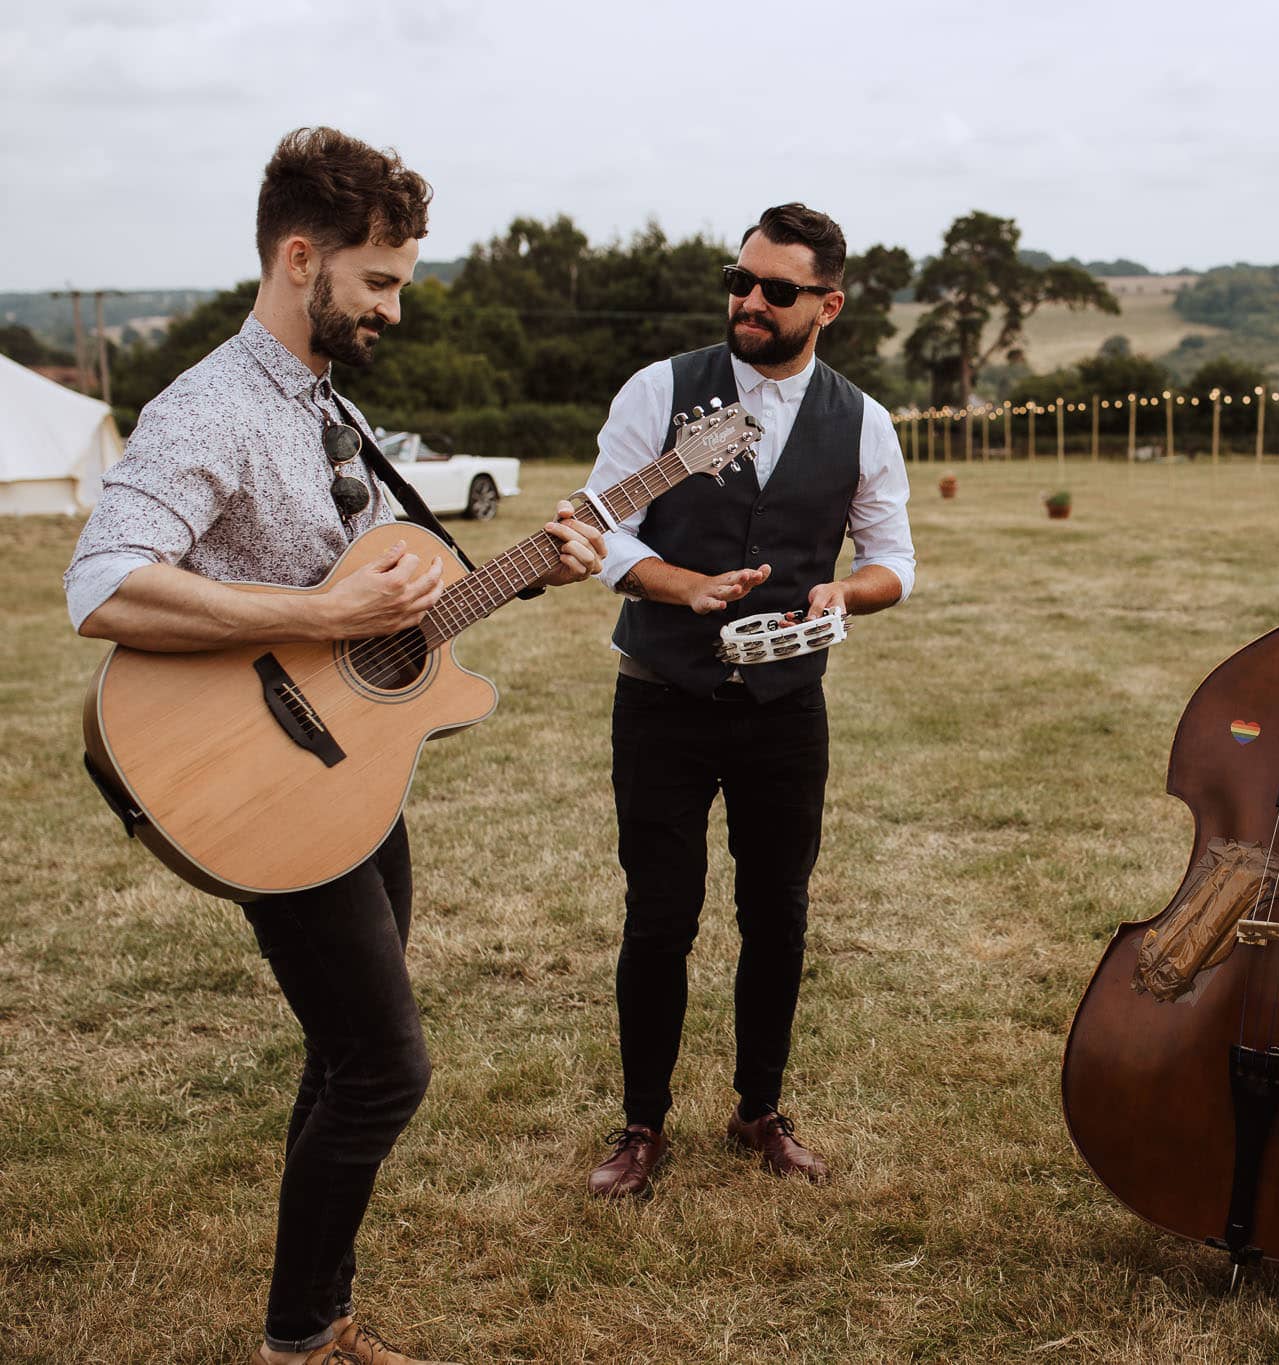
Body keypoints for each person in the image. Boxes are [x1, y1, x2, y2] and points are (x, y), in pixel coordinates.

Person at [64, 127, 606, 1365]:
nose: (395, 309)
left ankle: (315, 1321)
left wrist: (529, 572)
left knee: (346, 1054)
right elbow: (99, 584)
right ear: (300, 258)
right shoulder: (209, 406)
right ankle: (300, 1339)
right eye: (379, 282)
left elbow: (391, 600)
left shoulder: (327, 410)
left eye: (400, 284)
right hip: (251, 786)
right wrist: (319, 616)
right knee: (385, 1071)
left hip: (345, 778)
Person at [584, 203, 914, 1197]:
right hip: (662, 696)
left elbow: (893, 558)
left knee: (777, 914)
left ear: (828, 304)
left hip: (784, 708)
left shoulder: (861, 420)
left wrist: (843, 592)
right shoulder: (662, 393)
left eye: (776, 290)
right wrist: (678, 584)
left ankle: (757, 1111)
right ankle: (641, 1125)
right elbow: (602, 523)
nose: (750, 302)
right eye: (740, 282)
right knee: (660, 914)